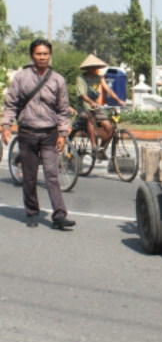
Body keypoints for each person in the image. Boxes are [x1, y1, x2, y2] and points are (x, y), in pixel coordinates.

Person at [1, 39, 76, 229]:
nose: (42, 57)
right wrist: (5, 126)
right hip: (27, 134)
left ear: (49, 55)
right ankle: (32, 212)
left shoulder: (58, 79)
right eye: (38, 54)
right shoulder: (21, 78)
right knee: (30, 176)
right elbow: (10, 104)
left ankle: (59, 215)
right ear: (32, 55)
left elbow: (62, 109)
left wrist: (62, 134)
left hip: (49, 134)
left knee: (52, 175)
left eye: (45, 54)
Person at [76, 54, 126, 157]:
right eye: (94, 67)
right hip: (83, 107)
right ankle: (94, 146)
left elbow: (108, 89)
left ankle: (101, 149)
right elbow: (82, 94)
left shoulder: (99, 78)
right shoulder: (81, 78)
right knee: (89, 118)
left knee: (109, 127)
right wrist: (91, 102)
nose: (96, 69)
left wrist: (119, 100)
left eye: (96, 67)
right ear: (88, 68)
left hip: (95, 108)